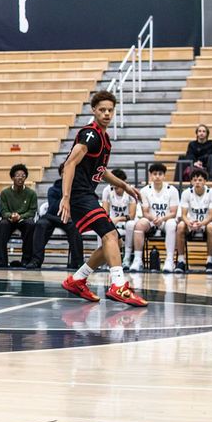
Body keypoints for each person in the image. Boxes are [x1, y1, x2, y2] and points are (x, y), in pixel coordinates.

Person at [60, 90, 146, 306]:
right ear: (94, 111)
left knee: (114, 239)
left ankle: (77, 279)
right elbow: (70, 163)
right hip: (79, 195)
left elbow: (102, 170)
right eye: (102, 110)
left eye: (110, 110)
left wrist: (124, 185)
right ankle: (119, 285)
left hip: (87, 194)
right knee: (110, 235)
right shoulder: (91, 134)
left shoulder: (104, 139)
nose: (107, 113)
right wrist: (65, 197)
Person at [129, 162, 180, 273]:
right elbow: (145, 212)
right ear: (150, 175)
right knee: (139, 224)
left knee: (172, 223)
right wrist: (154, 219)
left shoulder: (172, 190)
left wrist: (161, 219)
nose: (157, 176)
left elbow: (173, 212)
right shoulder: (144, 191)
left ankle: (169, 260)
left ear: (164, 176)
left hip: (166, 220)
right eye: (155, 174)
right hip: (151, 220)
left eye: (160, 174)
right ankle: (138, 260)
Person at [27, 172, 83, 270]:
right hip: (53, 217)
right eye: (64, 173)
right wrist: (64, 194)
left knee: (75, 227)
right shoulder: (53, 189)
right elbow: (53, 208)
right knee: (41, 224)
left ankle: (77, 262)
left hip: (69, 218)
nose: (66, 175)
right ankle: (36, 260)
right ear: (61, 175)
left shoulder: (77, 189)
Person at [0, 163, 38, 268]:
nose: (20, 178)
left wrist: (20, 216)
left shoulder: (31, 193)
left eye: (23, 176)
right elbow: (3, 211)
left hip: (23, 219)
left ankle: (26, 260)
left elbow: (32, 211)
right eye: (18, 175)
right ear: (12, 177)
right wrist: (11, 215)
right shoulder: (5, 193)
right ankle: (1, 260)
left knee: (30, 224)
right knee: (2, 224)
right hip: (10, 219)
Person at [176, 168, 212, 274]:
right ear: (191, 182)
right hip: (191, 223)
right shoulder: (186, 193)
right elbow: (183, 215)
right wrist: (189, 222)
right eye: (195, 180)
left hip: (205, 223)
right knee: (181, 225)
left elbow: (211, 216)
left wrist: (201, 223)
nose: (197, 182)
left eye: (200, 180)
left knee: (210, 227)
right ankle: (181, 261)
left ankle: (210, 261)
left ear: (205, 181)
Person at [101, 168, 137, 265]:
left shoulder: (130, 190)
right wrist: (110, 220)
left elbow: (132, 215)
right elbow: (104, 211)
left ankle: (127, 257)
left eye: (117, 186)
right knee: (101, 224)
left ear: (123, 182)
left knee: (131, 224)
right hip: (112, 223)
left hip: (125, 223)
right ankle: (104, 258)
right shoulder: (107, 190)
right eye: (113, 185)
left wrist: (119, 219)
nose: (115, 189)